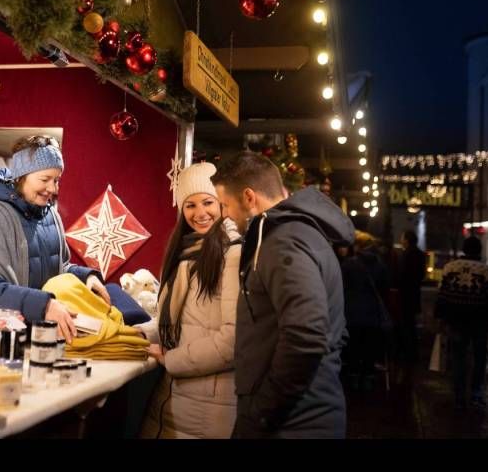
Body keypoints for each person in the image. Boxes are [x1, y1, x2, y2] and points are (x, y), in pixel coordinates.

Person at [211, 152, 354, 439]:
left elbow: (306, 334)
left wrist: (261, 413)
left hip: (293, 423)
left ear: (249, 197)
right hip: (303, 414)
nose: (224, 215)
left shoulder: (283, 241)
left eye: (225, 205)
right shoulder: (294, 235)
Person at [0, 135, 109, 343]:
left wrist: (86, 277)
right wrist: (45, 306)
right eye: (44, 180)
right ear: (21, 176)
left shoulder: (50, 215)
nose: (53, 189)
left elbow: (59, 267)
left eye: (56, 180)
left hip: (33, 339)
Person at [138, 162, 242, 439]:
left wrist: (171, 358)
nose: (200, 213)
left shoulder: (233, 255)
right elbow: (177, 321)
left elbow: (233, 340)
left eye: (207, 202)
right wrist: (136, 334)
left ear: (222, 203)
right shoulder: (185, 253)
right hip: (173, 397)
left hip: (209, 406)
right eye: (190, 205)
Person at [434, 236, 488, 410]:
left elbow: (442, 295)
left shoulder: (449, 267)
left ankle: (459, 396)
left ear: (464, 249)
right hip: (478, 321)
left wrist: (441, 318)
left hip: (456, 319)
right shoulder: (486, 271)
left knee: (458, 357)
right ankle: (476, 394)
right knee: (479, 357)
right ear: (479, 250)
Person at [340, 231, 390, 392]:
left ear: (357, 246)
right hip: (373, 314)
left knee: (353, 347)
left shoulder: (348, 265)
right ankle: (368, 379)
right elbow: (384, 289)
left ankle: (353, 379)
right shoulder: (381, 265)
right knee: (370, 347)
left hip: (352, 313)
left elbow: (341, 288)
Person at [397, 230, 426, 364]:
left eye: (402, 238)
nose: (401, 240)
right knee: (411, 324)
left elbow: (401, 275)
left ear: (407, 240)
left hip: (405, 295)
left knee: (405, 324)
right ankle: (413, 352)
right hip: (414, 293)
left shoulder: (406, 254)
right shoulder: (420, 254)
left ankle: (407, 353)